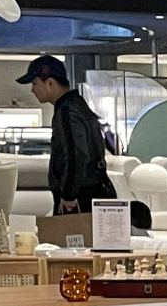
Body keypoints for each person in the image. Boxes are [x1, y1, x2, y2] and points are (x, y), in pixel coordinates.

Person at [20, 55, 117, 214]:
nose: (32, 90)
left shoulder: (67, 110)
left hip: (79, 198)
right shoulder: (77, 105)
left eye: (35, 83)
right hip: (92, 191)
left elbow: (77, 154)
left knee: (73, 231)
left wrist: (68, 195)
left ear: (50, 83)